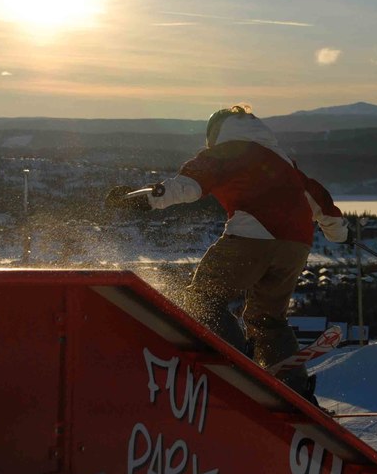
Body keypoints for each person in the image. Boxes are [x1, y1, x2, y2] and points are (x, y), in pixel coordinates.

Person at [142, 104, 349, 402]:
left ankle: (239, 368)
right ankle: (297, 391)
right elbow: (321, 203)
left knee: (205, 298)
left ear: (215, 132)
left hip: (253, 237)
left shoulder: (229, 150)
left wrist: (147, 199)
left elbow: (191, 184)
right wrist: (341, 234)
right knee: (267, 319)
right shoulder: (283, 161)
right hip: (296, 246)